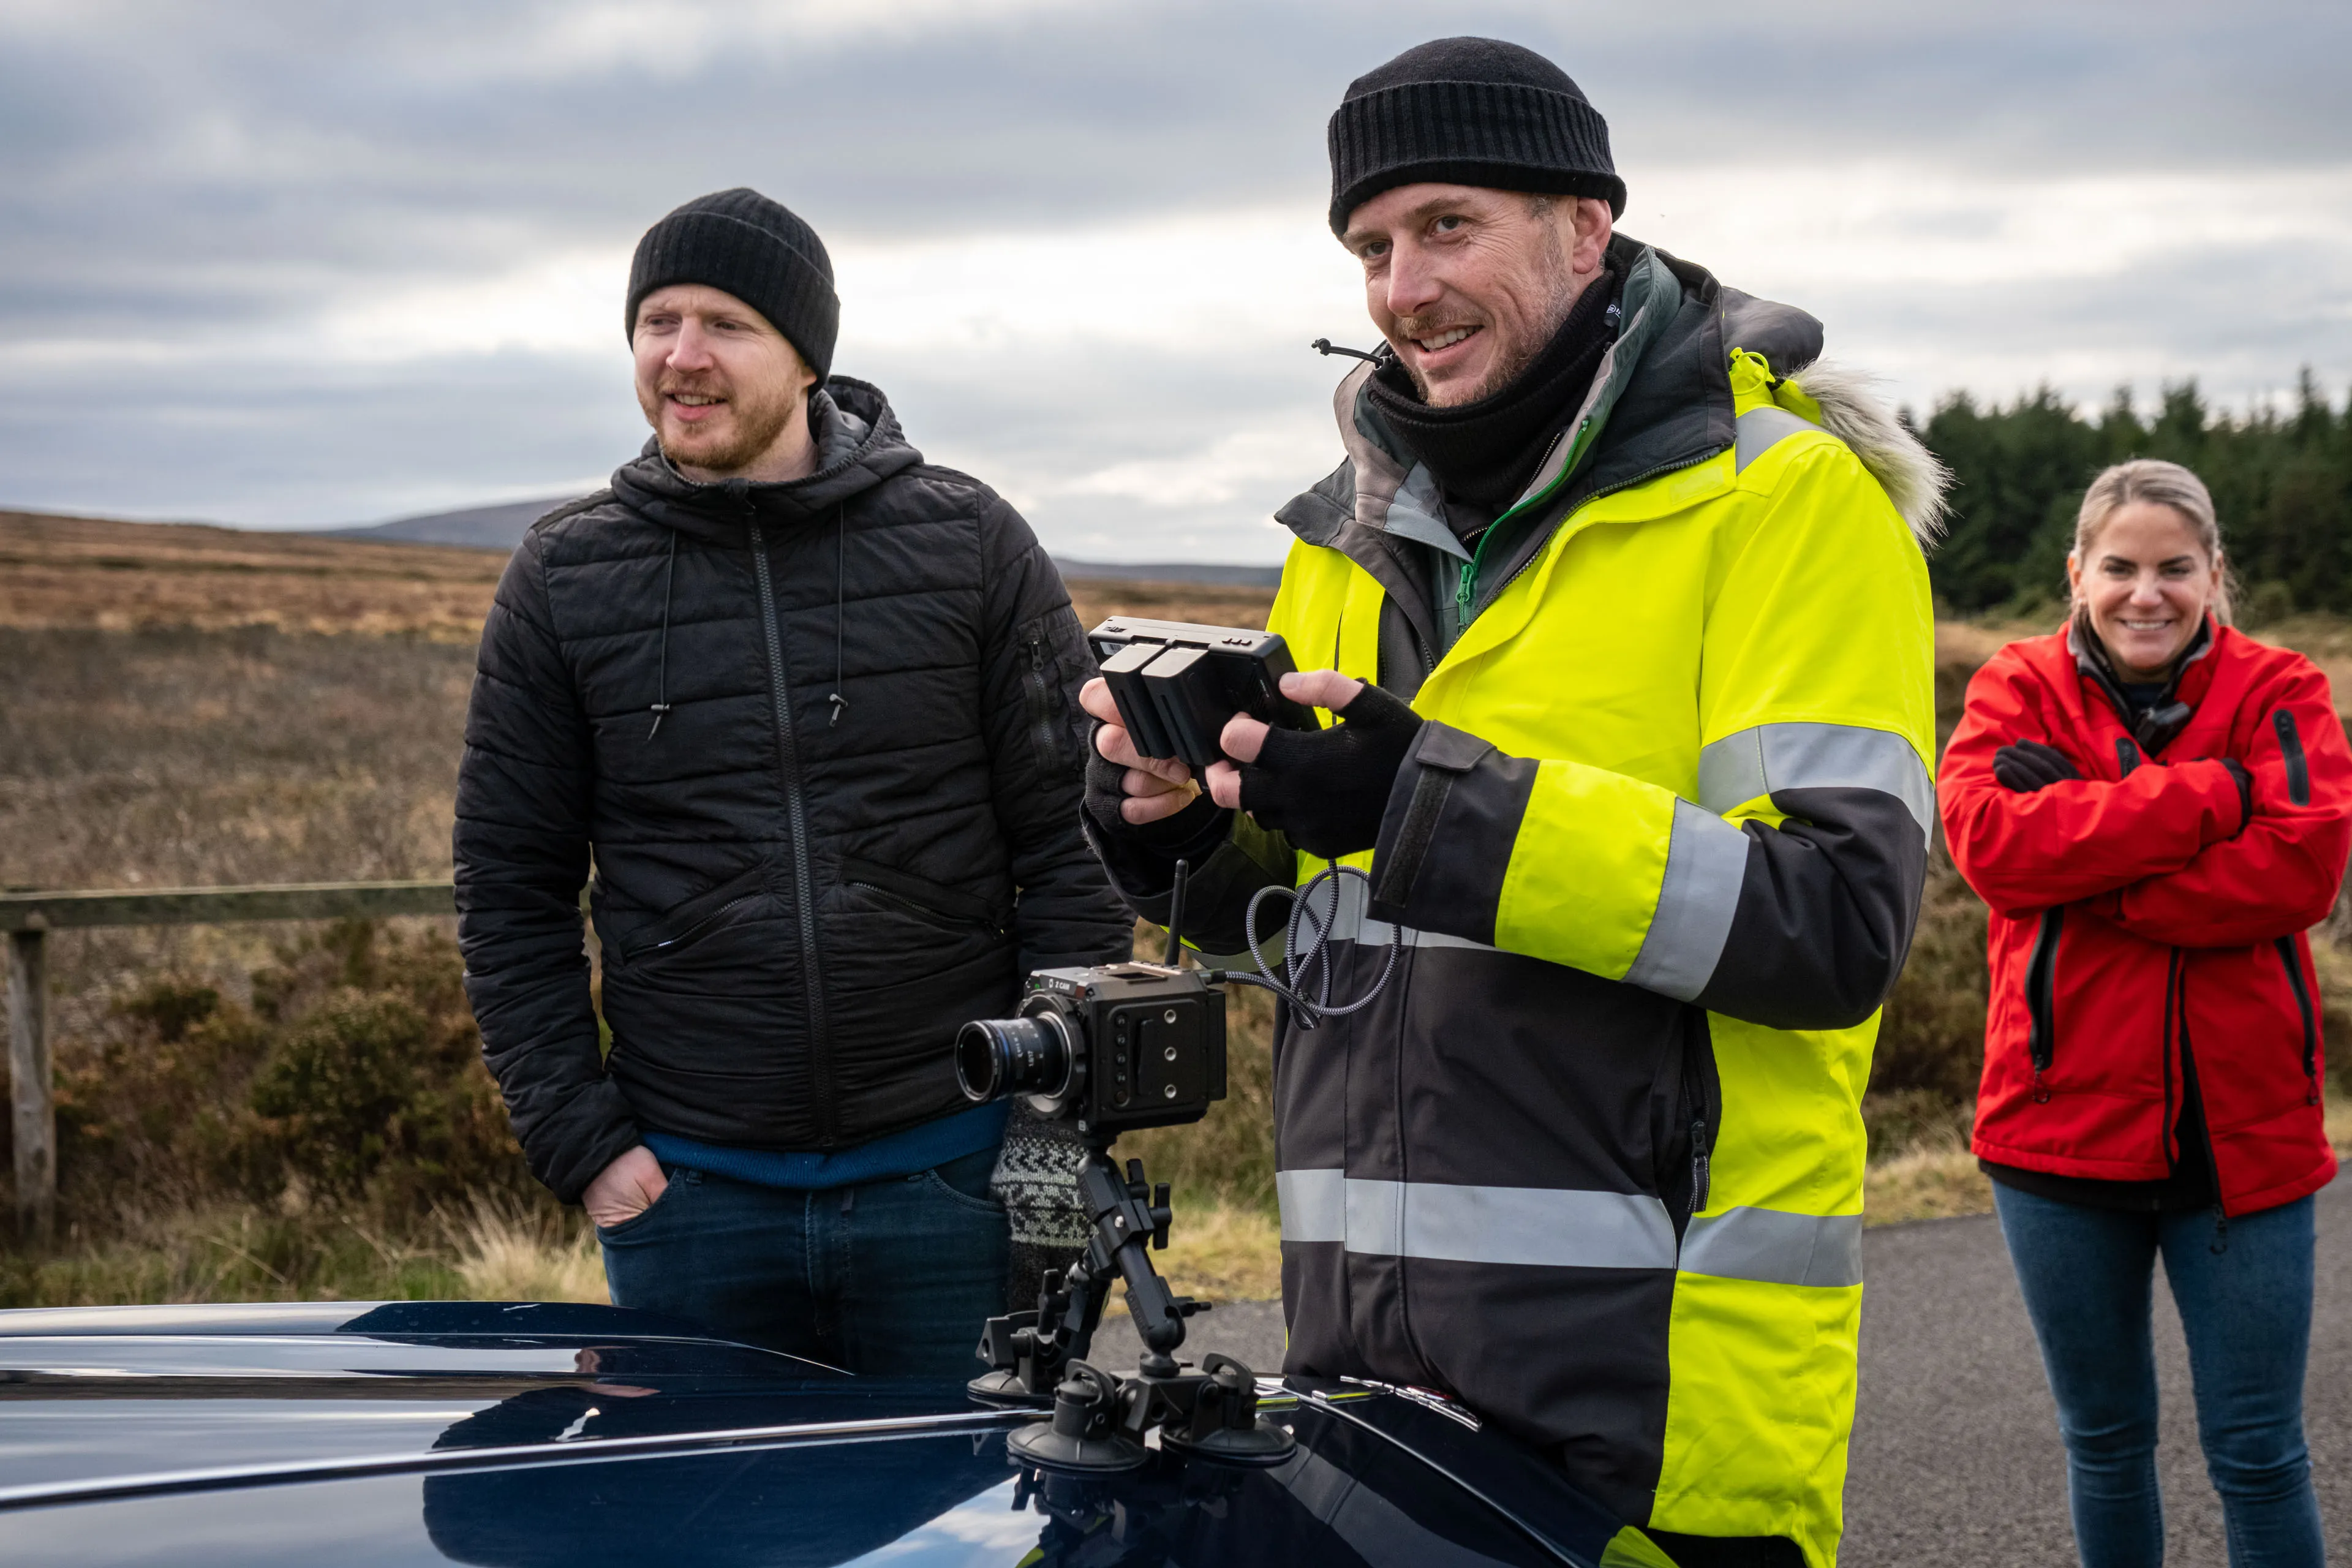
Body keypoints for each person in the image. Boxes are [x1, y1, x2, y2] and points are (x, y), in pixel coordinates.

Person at [1081, 37, 1943, 1568]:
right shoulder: (1342, 538)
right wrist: (1196, 842)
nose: (1403, 287)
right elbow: (1323, 921)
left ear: (1587, 229)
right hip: (1367, 1386)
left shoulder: (1789, 505)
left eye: (1449, 225)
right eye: (1371, 246)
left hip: (1660, 1413)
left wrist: (1425, 800)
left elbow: (1836, 924)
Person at [454, 187, 1129, 1375]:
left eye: (724, 323)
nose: (682, 356)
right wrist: (587, 1144)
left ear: (807, 356)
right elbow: (509, 885)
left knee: (978, 1533)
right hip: (692, 1199)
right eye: (656, 322)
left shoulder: (969, 543)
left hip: (952, 1175)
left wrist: (1038, 1127)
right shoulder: (565, 577)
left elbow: (1073, 845)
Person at [1940, 459, 2342, 1567]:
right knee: (2105, 1445)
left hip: (2245, 1144)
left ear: (2215, 574)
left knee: (2260, 1451)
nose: (2145, 593)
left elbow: (2300, 872)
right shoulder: (2014, 689)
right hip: (2056, 1134)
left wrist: (2089, 859)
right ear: (2078, 573)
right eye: (2120, 567)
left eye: (2174, 568)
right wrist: (2214, 796)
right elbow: (1991, 847)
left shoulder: (2284, 691)